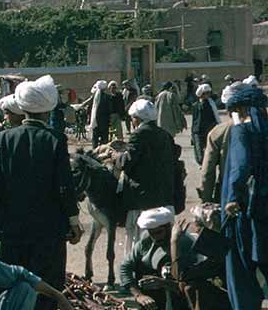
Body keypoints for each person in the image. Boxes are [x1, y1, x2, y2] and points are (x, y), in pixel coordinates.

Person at [0, 75, 82, 310]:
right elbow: (64, 186)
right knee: (47, 286)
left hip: (11, 232)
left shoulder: (5, 138)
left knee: (9, 285)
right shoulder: (54, 140)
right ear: (46, 110)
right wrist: (74, 222)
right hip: (48, 232)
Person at [220, 85, 268, 310]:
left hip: (244, 214)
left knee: (241, 269)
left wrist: (232, 200)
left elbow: (239, 167)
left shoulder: (242, 132)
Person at [172, 207, 242, 310]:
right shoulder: (230, 241)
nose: (196, 231)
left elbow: (181, 275)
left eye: (198, 227)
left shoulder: (221, 247)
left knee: (191, 286)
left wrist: (174, 241)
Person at [119, 99, 177, 253]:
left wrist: (116, 157)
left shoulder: (138, 134)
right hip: (164, 198)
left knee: (140, 243)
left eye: (132, 118)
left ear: (137, 119)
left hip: (143, 200)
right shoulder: (165, 135)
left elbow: (126, 163)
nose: (132, 121)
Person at [120, 207, 194, 310]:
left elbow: (192, 283)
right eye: (151, 233)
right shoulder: (146, 241)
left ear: (168, 227)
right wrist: (139, 295)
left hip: (178, 299)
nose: (155, 237)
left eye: (159, 232)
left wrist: (163, 283)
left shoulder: (184, 243)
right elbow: (125, 267)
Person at [199, 83, 239, 202]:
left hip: (228, 193)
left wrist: (206, 200)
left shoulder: (219, 132)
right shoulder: (262, 127)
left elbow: (207, 172)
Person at [191, 83, 218, 165]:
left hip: (209, 129)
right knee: (199, 150)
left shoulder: (210, 104)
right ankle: (201, 163)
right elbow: (194, 119)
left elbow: (214, 116)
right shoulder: (196, 105)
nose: (209, 95)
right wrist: (192, 132)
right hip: (198, 130)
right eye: (207, 93)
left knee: (209, 148)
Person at [87, 80, 111, 147]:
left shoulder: (93, 97)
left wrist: (89, 119)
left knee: (95, 138)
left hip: (95, 121)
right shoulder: (107, 97)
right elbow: (109, 109)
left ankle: (94, 153)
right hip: (104, 121)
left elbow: (89, 109)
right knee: (104, 139)